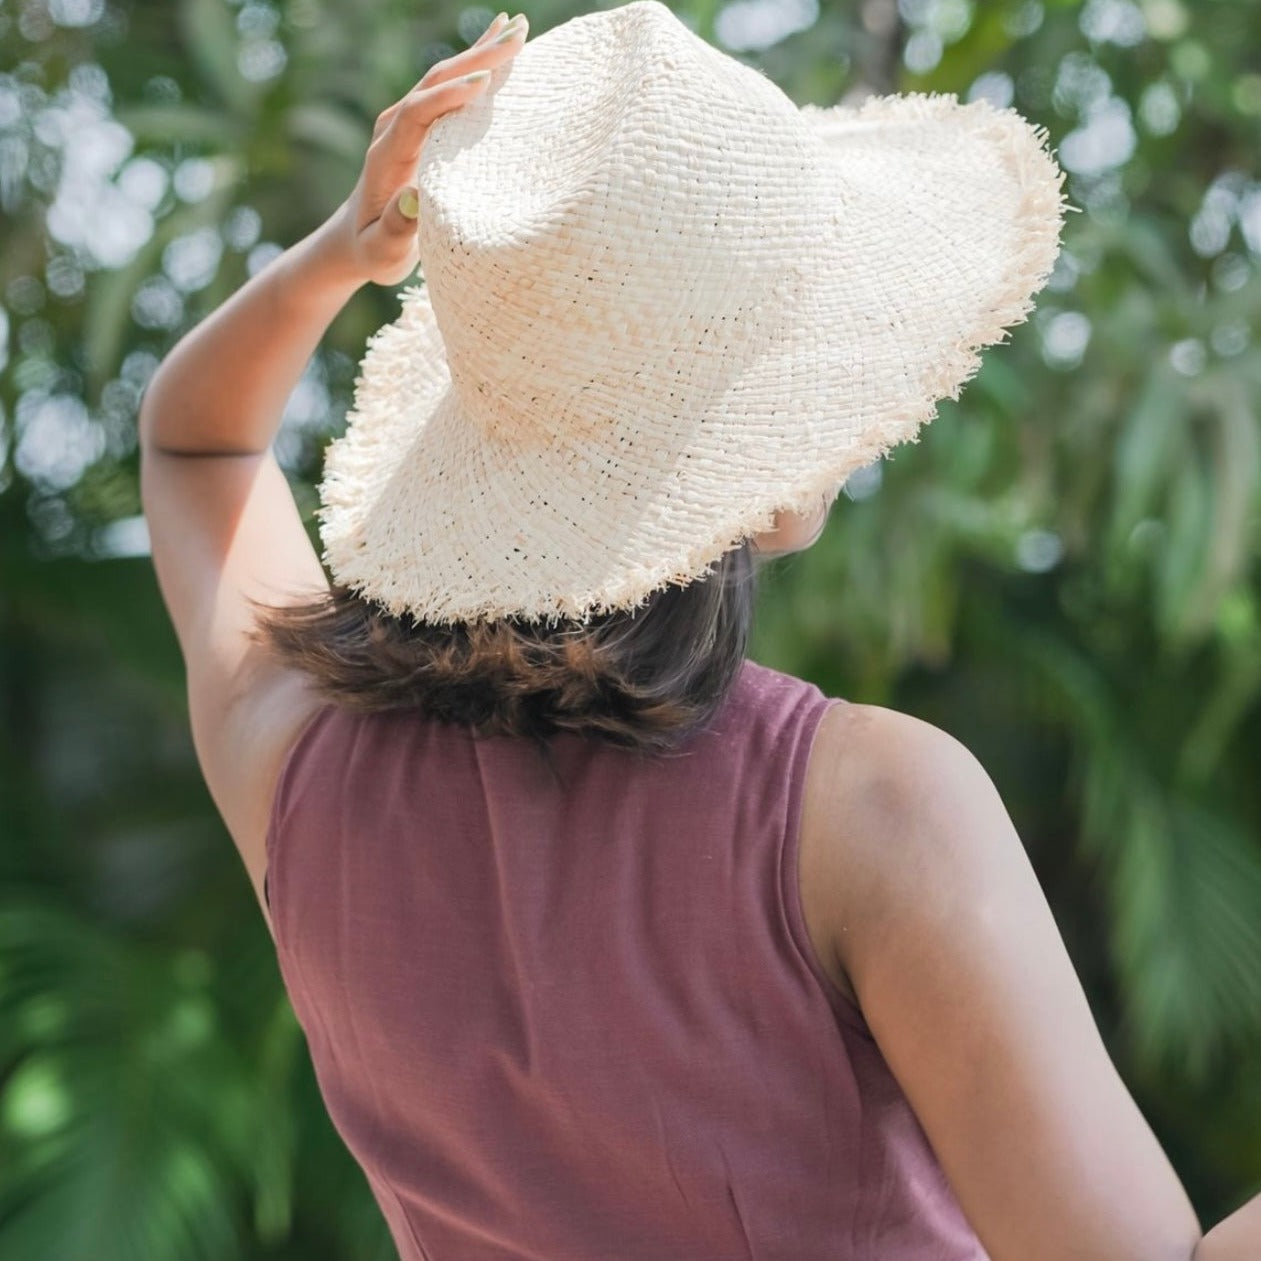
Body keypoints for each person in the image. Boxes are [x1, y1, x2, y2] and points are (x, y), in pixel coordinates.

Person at [138, 3, 1259, 1258]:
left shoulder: (288, 759)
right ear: (770, 482)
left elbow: (195, 450)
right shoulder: (871, 810)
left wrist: (338, 255)